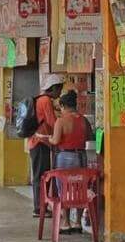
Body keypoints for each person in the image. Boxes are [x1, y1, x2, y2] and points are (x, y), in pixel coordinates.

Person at [47, 89, 88, 233]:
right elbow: (88, 136)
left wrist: (49, 139)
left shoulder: (61, 121)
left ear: (63, 106)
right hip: (82, 156)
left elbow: (56, 140)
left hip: (65, 157)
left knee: (64, 189)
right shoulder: (83, 119)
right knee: (80, 188)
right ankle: (77, 222)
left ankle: (65, 222)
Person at [30, 74, 65, 218]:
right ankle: (39, 208)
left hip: (38, 142)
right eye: (59, 90)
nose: (59, 94)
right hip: (40, 143)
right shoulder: (45, 101)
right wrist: (65, 124)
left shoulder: (40, 99)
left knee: (41, 175)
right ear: (54, 88)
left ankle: (40, 206)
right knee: (41, 176)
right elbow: (52, 122)